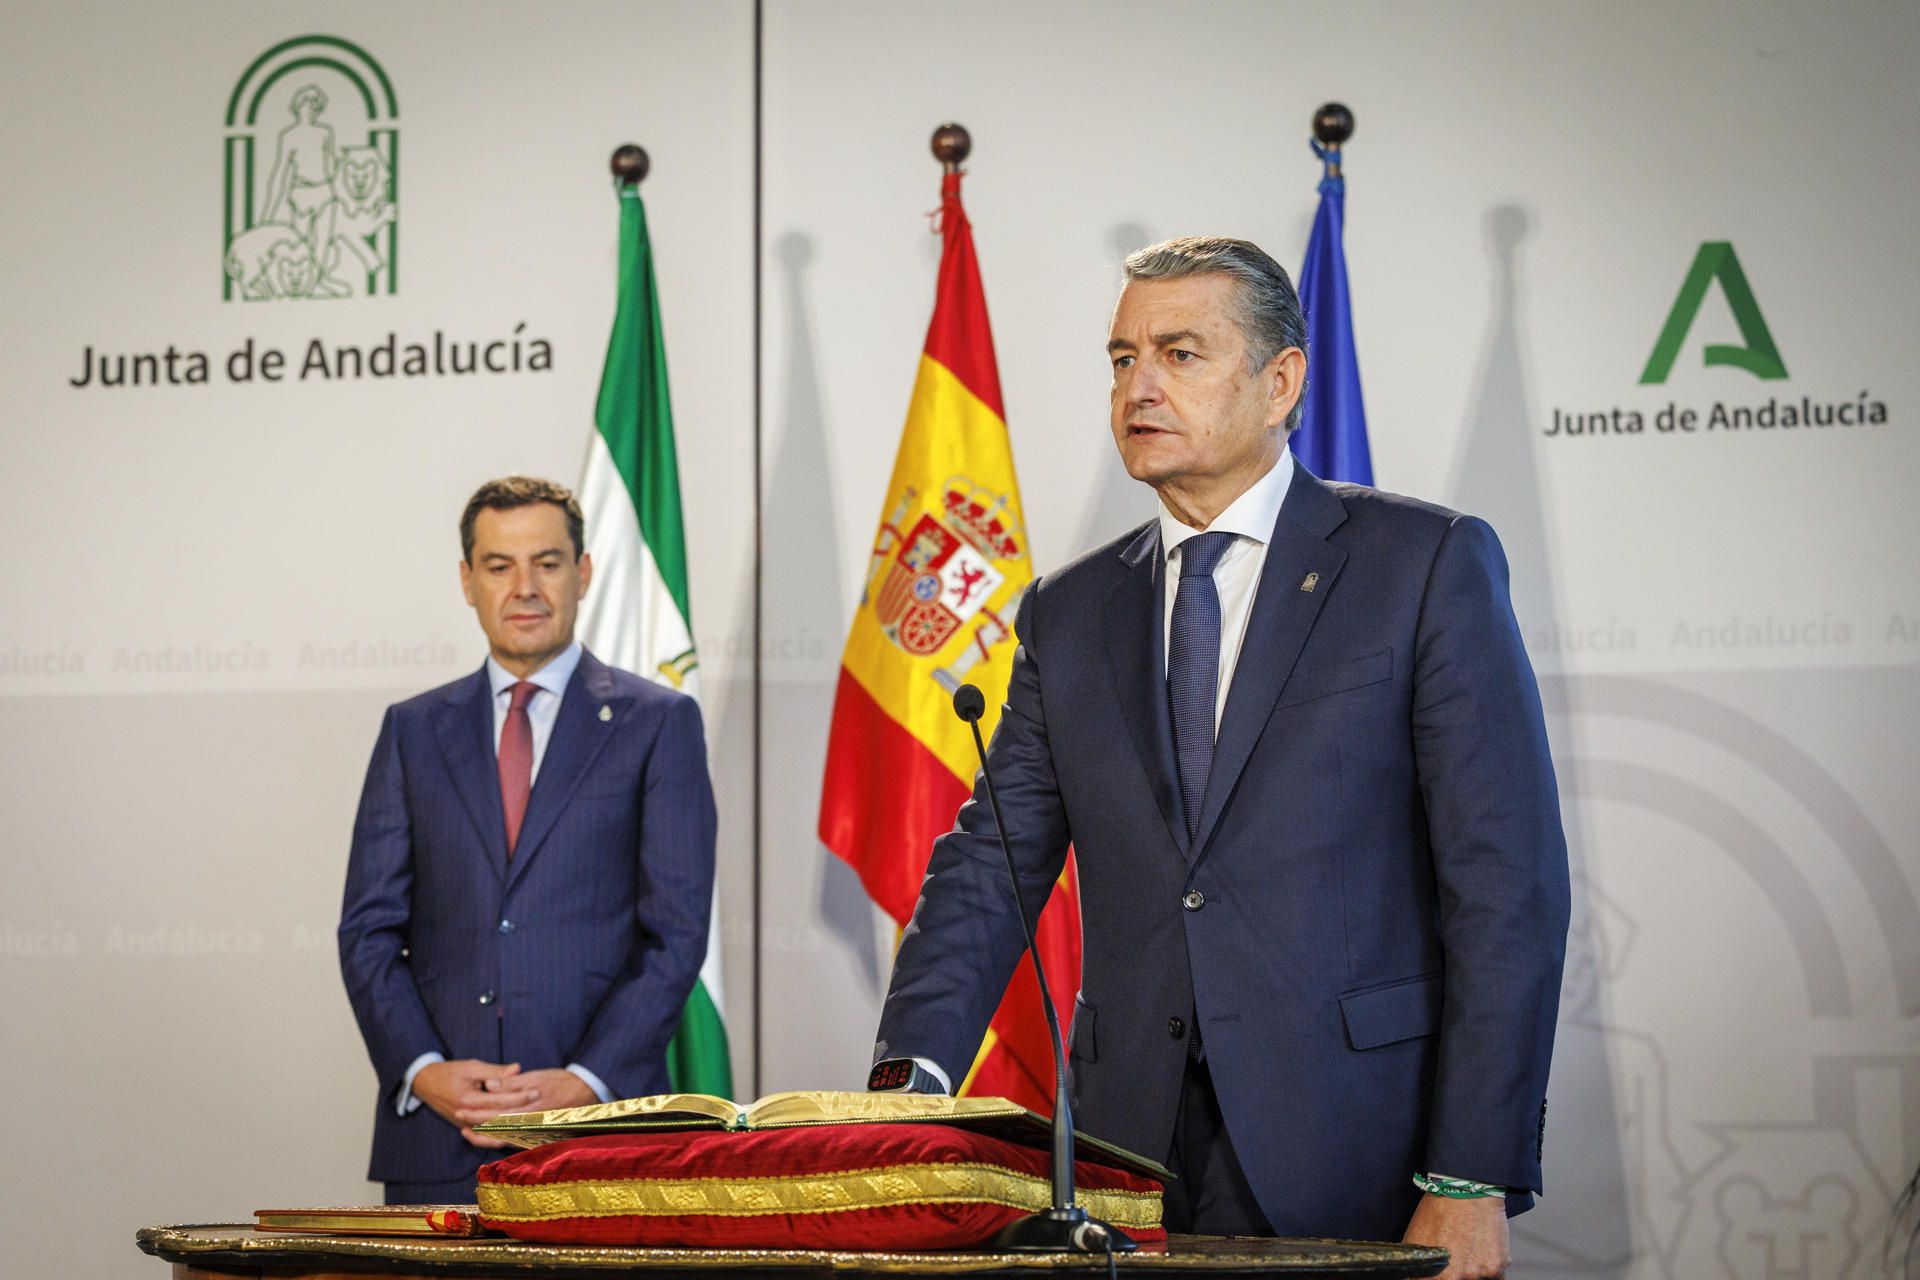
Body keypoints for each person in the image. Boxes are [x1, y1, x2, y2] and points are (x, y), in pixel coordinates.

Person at [872, 238, 1569, 1277]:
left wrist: (1469, 1173)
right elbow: (995, 856)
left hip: (1360, 1147)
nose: (1138, 385)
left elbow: (1506, 885)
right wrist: (909, 1074)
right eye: (1120, 358)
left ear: (1280, 380)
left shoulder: (1421, 565)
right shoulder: (1069, 611)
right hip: (1124, 1154)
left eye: (1180, 353)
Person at [339, 476, 716, 1203]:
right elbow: (368, 932)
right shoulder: (412, 731)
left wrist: (586, 1081)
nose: (525, 587)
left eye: (546, 562)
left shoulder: (659, 724)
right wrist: (421, 1070)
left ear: (583, 573)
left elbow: (675, 935)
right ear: (467, 581)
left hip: (606, 1136)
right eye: (498, 565)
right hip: (439, 1140)